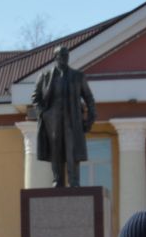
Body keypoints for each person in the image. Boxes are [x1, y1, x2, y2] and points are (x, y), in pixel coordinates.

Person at [31, 46, 97, 188]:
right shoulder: (45, 76)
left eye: (66, 55)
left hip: (72, 119)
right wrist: (43, 113)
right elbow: (36, 98)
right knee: (56, 150)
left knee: (72, 149)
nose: (64, 58)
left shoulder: (78, 76)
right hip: (52, 120)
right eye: (62, 55)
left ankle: (74, 181)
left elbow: (89, 98)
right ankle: (57, 180)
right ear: (56, 57)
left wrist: (90, 119)